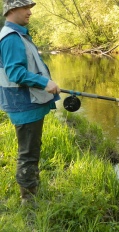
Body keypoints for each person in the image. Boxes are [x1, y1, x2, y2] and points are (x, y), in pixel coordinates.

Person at [0, 0, 60, 206]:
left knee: (32, 148)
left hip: (26, 103)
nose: (30, 12)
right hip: (23, 104)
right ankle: (28, 200)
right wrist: (45, 82)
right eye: (26, 8)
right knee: (27, 153)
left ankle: (32, 187)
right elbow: (15, 72)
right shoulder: (11, 38)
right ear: (12, 9)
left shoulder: (19, 35)